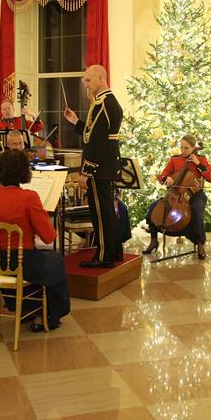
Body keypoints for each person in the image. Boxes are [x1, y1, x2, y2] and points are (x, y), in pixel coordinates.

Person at [0, 150, 70, 331]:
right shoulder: (29, 197)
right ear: (24, 171)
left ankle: (22, 309)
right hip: (21, 261)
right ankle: (44, 317)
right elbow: (49, 237)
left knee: (39, 262)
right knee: (55, 261)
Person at [63, 65, 123, 268]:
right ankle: (113, 251)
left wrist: (86, 172)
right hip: (105, 166)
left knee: (101, 213)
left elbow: (97, 142)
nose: (86, 85)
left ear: (101, 78)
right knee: (105, 211)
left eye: (89, 80)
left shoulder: (104, 104)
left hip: (99, 167)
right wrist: (75, 121)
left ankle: (104, 256)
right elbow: (91, 133)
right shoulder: (105, 102)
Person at [143, 135, 211, 260]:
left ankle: (199, 243)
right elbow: (162, 176)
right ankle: (154, 240)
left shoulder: (201, 160)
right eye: (181, 147)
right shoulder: (175, 160)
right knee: (153, 208)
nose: (182, 150)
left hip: (195, 194)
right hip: (174, 193)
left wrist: (199, 165)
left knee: (197, 210)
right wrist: (167, 178)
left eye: (186, 148)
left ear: (193, 148)